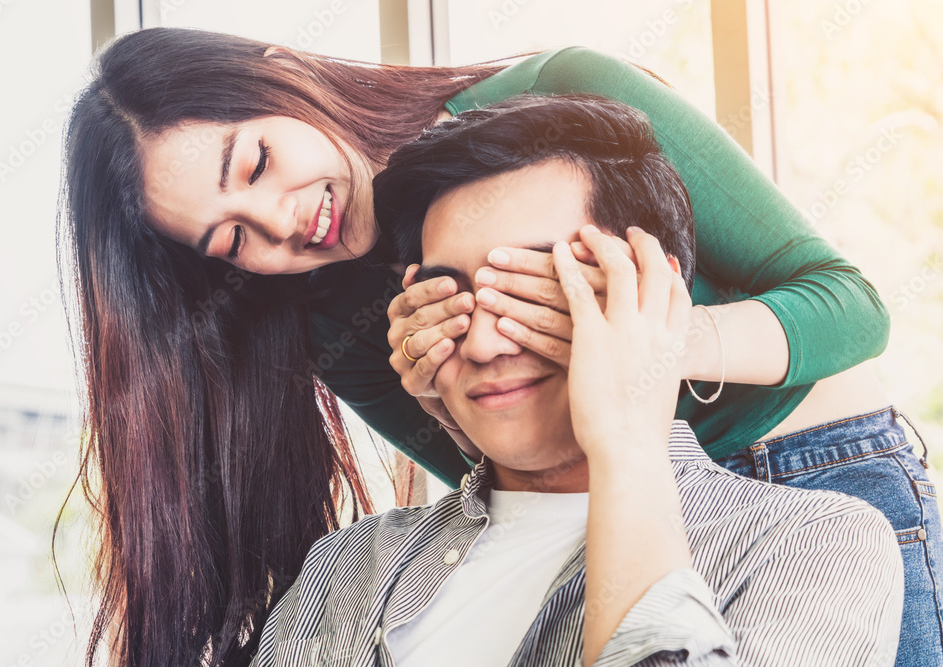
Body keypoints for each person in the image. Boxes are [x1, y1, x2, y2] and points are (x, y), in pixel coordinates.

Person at [57, 27, 939, 667]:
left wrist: (645, 345)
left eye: (253, 166)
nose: (284, 220)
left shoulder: (565, 99)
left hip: (817, 466)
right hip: (612, 519)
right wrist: (448, 401)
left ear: (278, 73)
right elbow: (519, 476)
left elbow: (849, 305)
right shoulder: (338, 322)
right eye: (234, 241)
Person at [250, 94, 904, 667]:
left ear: (655, 291)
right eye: (452, 298)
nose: (482, 342)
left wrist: (630, 418)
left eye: (537, 292)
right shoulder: (343, 567)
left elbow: (852, 306)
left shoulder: (813, 546)